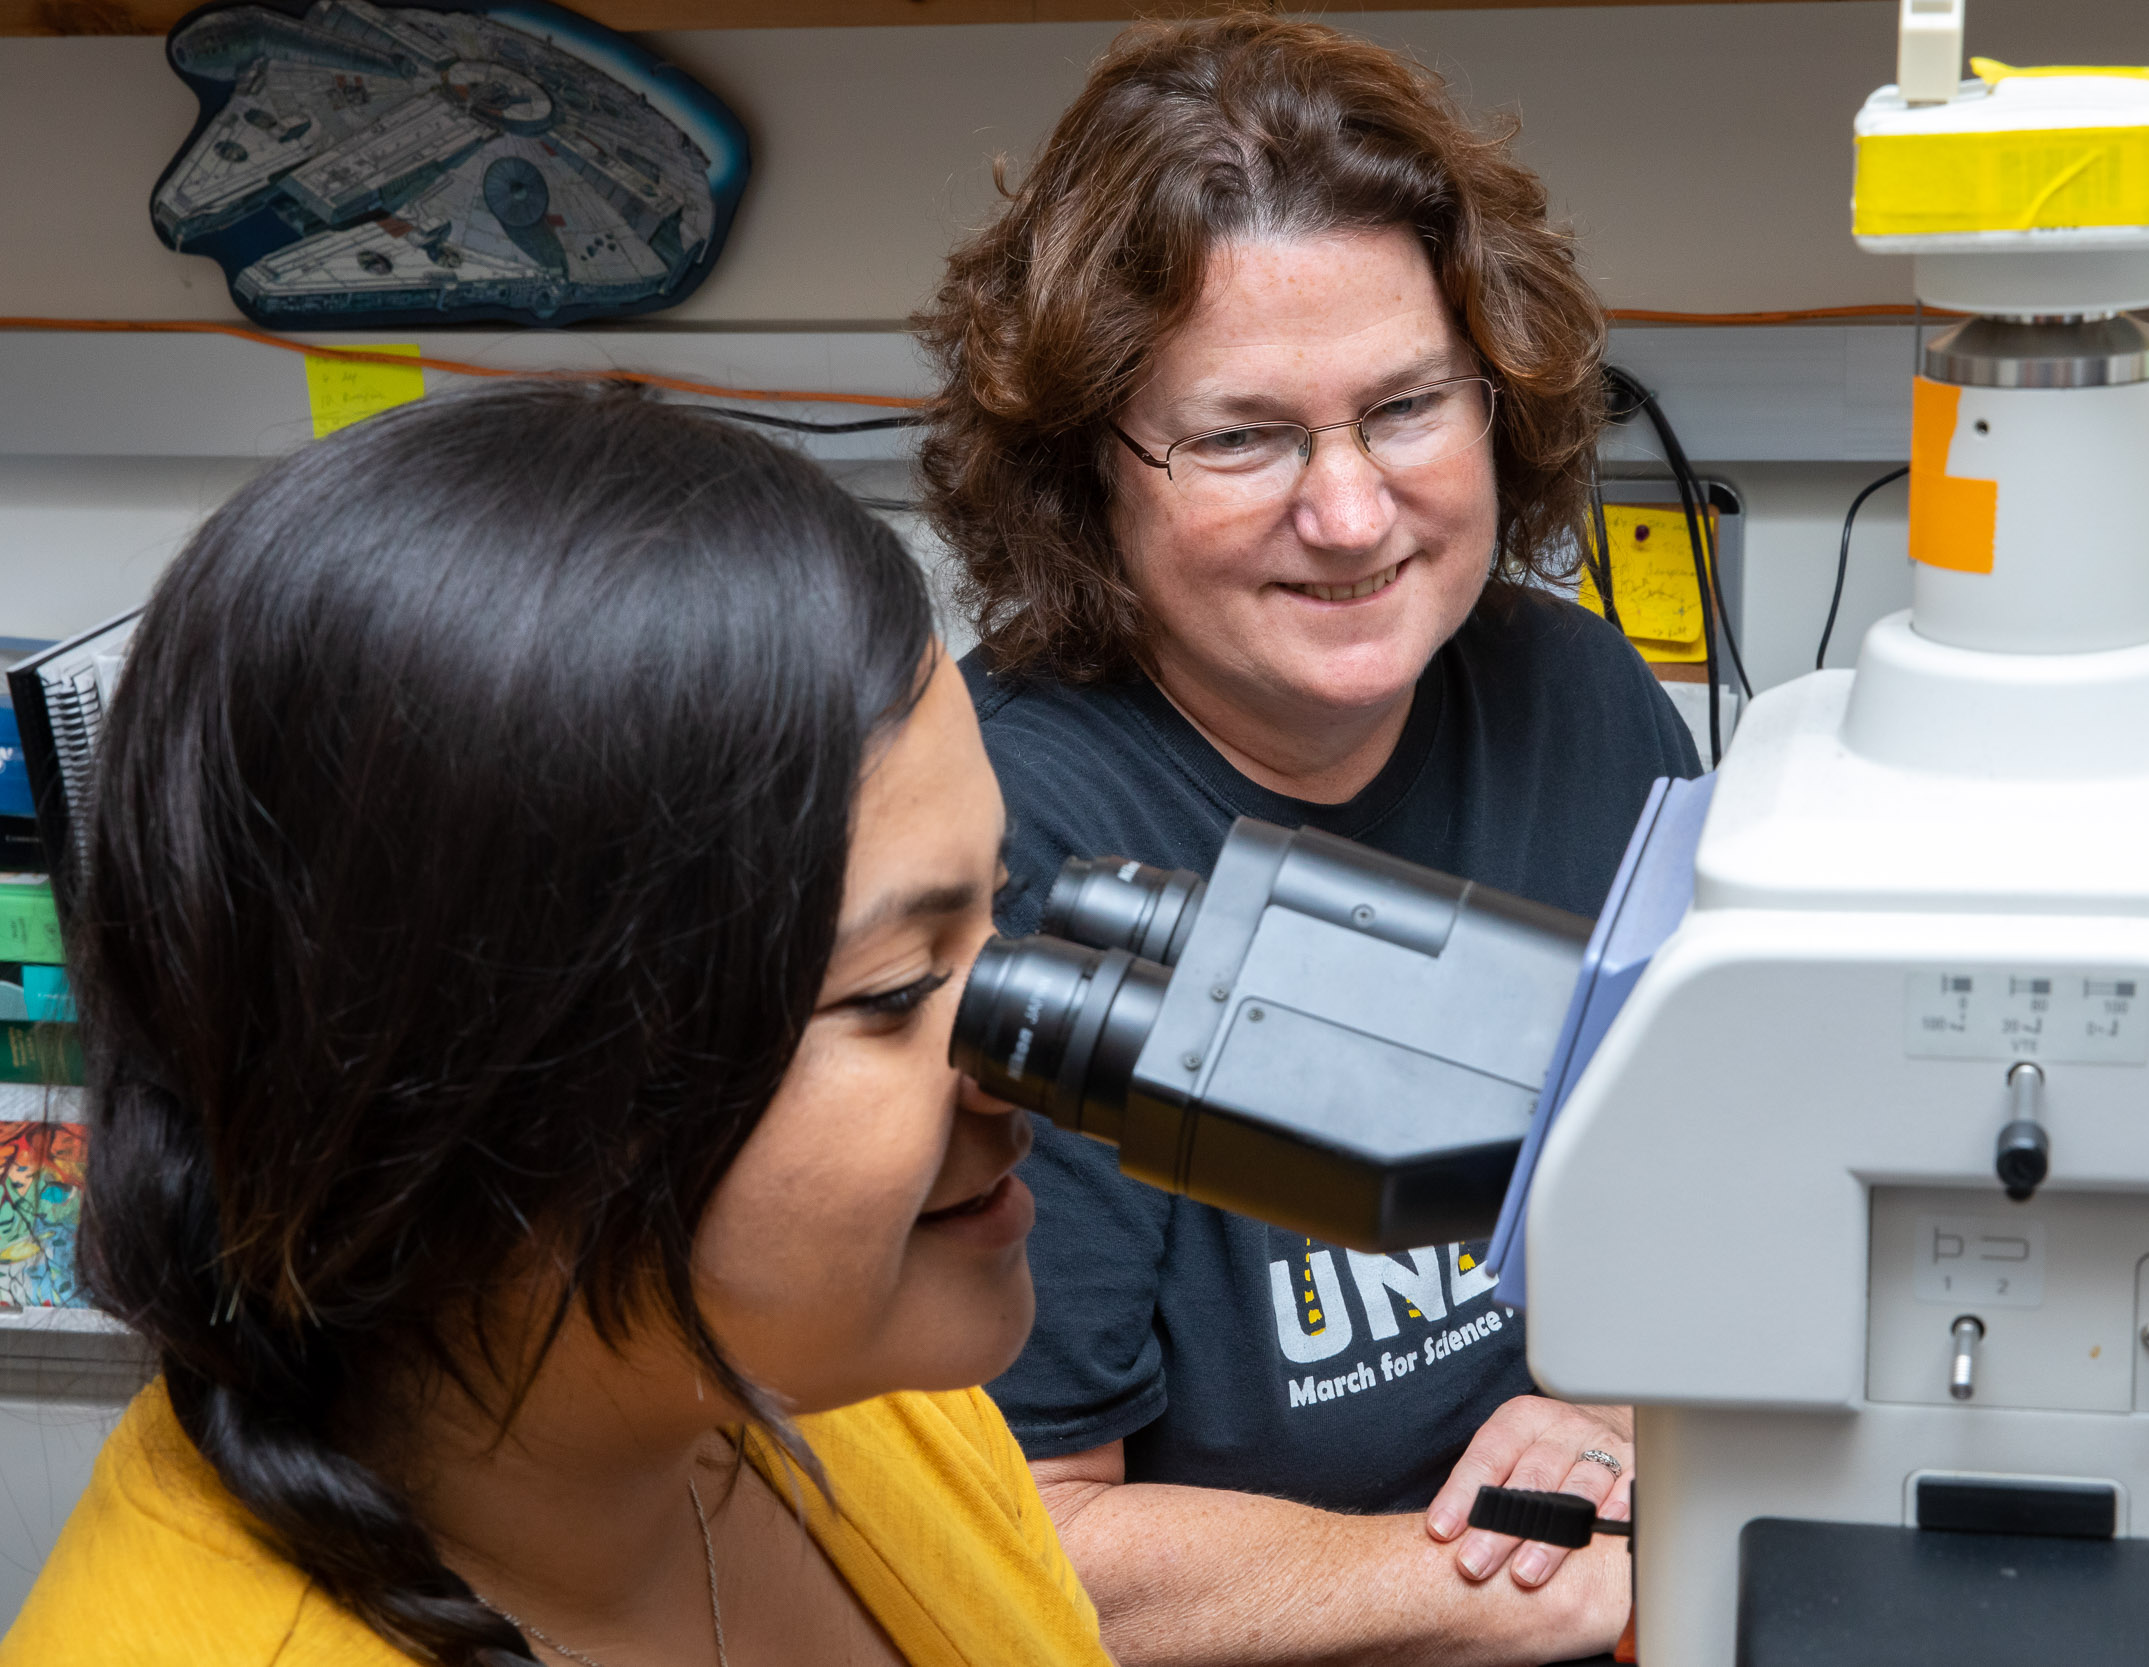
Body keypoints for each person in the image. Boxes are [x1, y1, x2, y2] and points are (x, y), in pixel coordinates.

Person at [2, 383, 1113, 1667]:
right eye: (895, 990)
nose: (1029, 1074)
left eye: (996, 912)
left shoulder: (840, 1390)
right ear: (489, 1093)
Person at [915, 16, 1702, 1665]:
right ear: (1090, 475)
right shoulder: (1000, 838)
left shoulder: (1576, 699)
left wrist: (1613, 1421)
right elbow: (1021, 1544)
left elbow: (1697, 1182)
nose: (1350, 514)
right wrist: (1527, 1574)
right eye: (1244, 435)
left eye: (1408, 404)